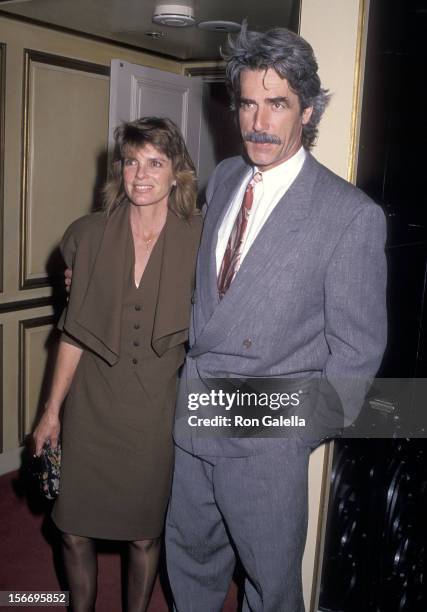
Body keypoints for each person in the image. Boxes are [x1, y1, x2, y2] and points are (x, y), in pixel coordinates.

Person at [164, 25, 387, 612]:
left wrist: (286, 438)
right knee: (188, 567)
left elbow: (356, 358)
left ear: (307, 111)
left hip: (264, 443)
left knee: (271, 591)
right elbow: (206, 292)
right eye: (248, 102)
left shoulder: (349, 215)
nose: (258, 122)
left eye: (278, 103)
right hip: (194, 421)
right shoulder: (225, 178)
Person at [33, 117, 202, 612]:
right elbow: (73, 334)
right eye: (132, 162)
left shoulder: (202, 238)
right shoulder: (86, 235)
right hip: (92, 406)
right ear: (119, 171)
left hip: (154, 412)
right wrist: (51, 412)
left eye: (156, 162)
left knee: (144, 537)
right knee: (72, 529)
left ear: (178, 173)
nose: (142, 174)